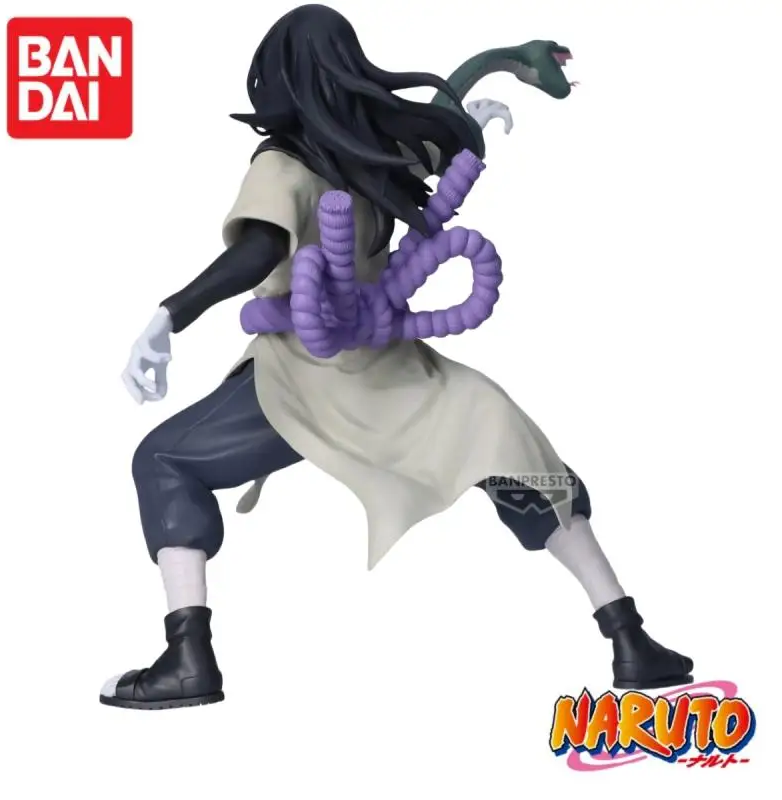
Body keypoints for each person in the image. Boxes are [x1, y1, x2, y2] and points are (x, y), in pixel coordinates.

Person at [101, 4, 692, 711]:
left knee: (162, 460)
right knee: (512, 447)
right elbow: (432, 142)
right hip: (393, 375)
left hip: (305, 384)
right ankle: (629, 637)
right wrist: (474, 104)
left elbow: (258, 251)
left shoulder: (286, 164)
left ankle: (188, 659)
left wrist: (169, 315)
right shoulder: (371, 151)